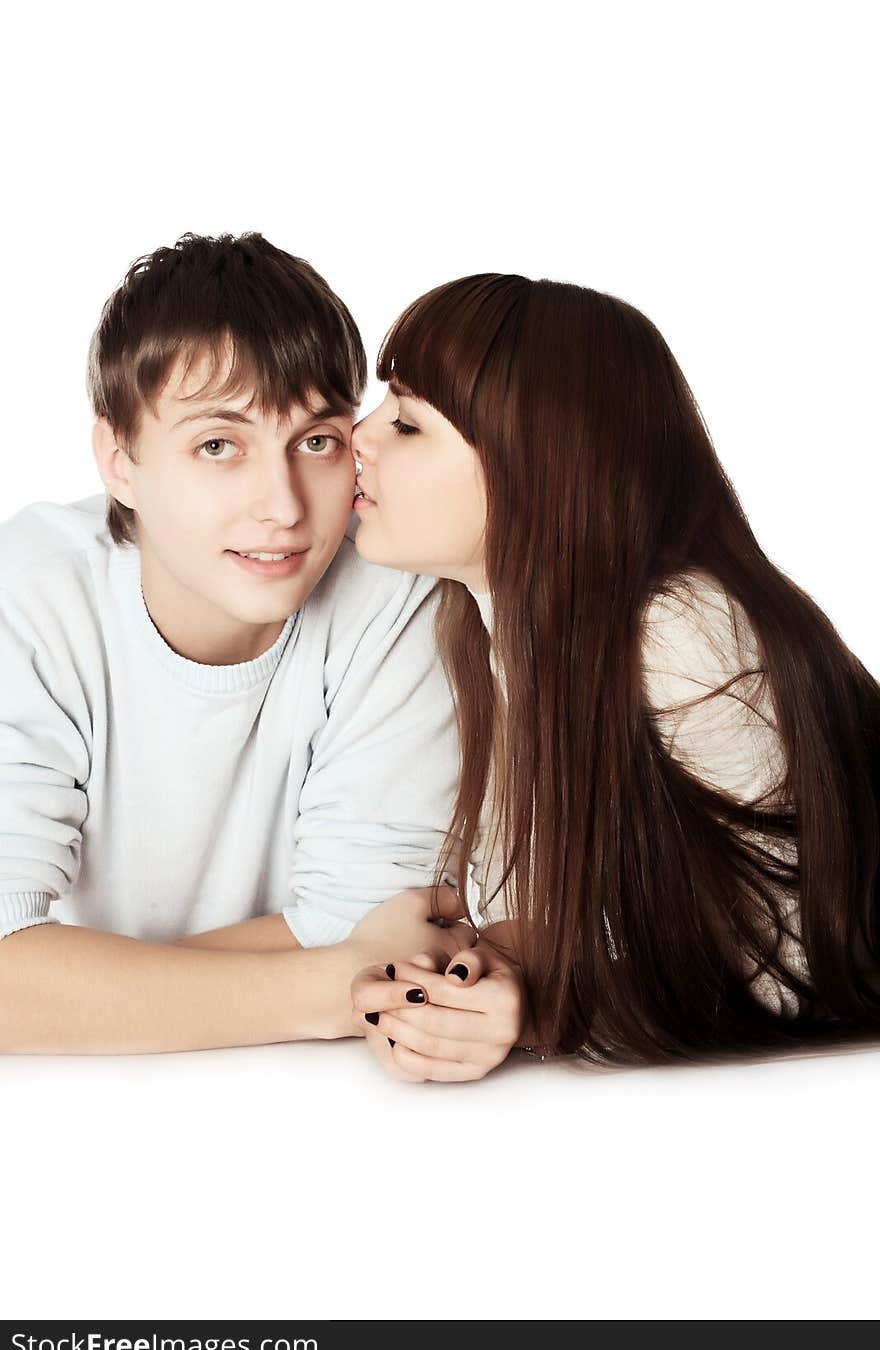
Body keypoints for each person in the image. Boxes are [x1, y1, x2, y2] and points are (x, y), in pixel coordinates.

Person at [349, 272, 880, 1078]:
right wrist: (479, 965)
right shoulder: (494, 632)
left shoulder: (679, 632)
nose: (360, 434)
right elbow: (582, 908)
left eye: (409, 423)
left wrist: (540, 1005)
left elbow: (798, 961)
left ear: (537, 461)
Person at [0, 232, 492, 1056]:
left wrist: (66, 991)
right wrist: (338, 982)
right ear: (120, 463)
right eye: (218, 445)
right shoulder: (32, 591)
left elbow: (374, 926)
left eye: (317, 441)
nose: (284, 507)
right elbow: (365, 968)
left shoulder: (398, 591)